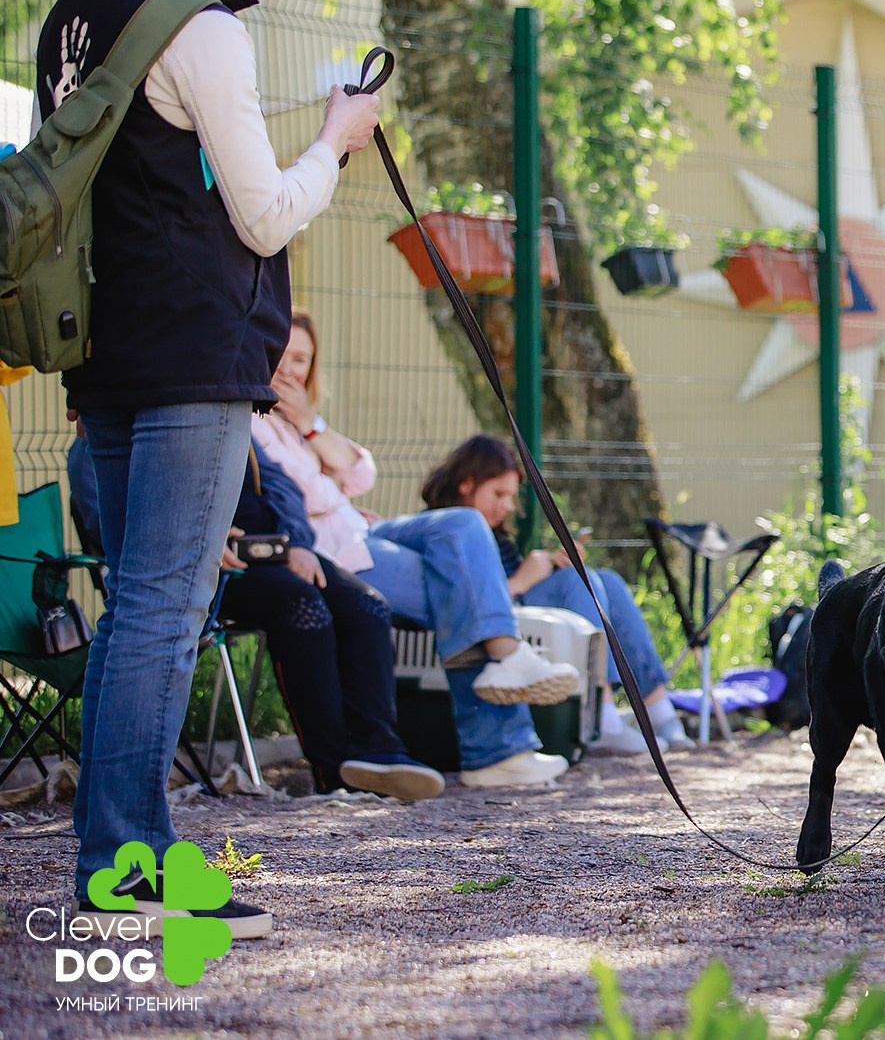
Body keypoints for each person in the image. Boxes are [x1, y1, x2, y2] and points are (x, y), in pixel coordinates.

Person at [50, 0, 380, 938]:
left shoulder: (75, 12)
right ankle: (120, 868)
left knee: (138, 602)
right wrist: (334, 140)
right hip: (189, 347)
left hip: (99, 344)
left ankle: (123, 855)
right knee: (161, 603)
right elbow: (265, 213)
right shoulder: (203, 22)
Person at [254, 311, 580, 788]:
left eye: (301, 358)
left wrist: (308, 422)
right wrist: (328, 473)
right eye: (281, 355)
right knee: (463, 594)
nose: (289, 370)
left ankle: (502, 716)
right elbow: (301, 498)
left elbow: (362, 472)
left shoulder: (297, 425)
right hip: (339, 551)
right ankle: (497, 748)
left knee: (465, 525)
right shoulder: (250, 421)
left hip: (366, 531)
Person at [67, 433, 444, 802]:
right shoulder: (99, 439)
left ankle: (376, 749)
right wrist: (200, 540)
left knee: (368, 605)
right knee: (302, 606)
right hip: (193, 564)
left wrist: (294, 542)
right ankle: (333, 770)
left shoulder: (232, 427)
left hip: (268, 550)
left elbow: (285, 489)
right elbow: (108, 521)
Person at [422, 434, 692, 754]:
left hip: (523, 615)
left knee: (609, 582)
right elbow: (469, 604)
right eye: (498, 494)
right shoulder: (447, 532)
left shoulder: (490, 532)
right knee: (580, 581)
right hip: (498, 628)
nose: (507, 506)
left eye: (511, 496)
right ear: (466, 484)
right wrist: (524, 580)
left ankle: (659, 710)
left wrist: (546, 566)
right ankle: (601, 718)